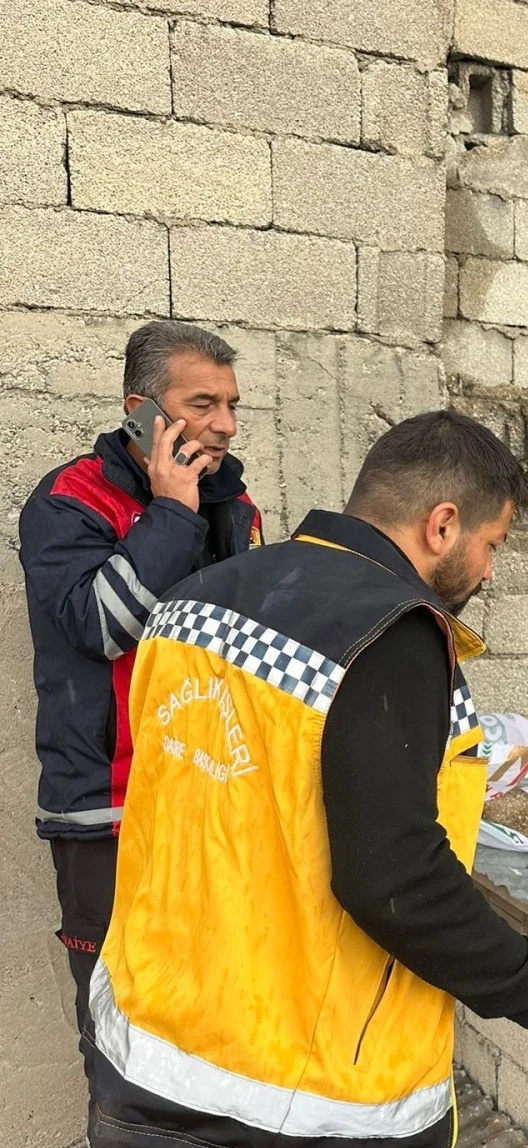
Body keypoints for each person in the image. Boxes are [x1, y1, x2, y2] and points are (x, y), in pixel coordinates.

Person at [86, 411, 528, 1148]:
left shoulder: (191, 602)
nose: (488, 570)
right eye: (493, 545)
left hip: (143, 1065)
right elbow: (395, 878)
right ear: (442, 525)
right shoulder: (390, 635)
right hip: (299, 1108)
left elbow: (224, 797)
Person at [18, 320, 262, 1075]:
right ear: (142, 410)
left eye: (231, 404)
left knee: (213, 1010)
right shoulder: (68, 502)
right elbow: (100, 627)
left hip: (211, 803)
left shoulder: (236, 504)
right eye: (202, 403)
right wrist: (173, 513)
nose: (223, 423)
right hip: (109, 812)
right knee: (119, 1025)